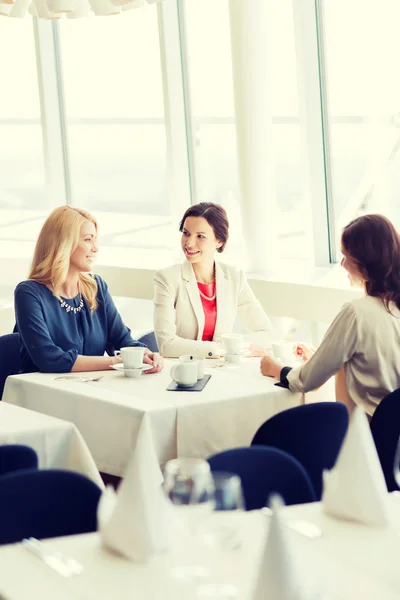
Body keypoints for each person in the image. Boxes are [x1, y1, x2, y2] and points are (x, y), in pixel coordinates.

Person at [260, 213, 400, 416]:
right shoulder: (392, 309)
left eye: (346, 257)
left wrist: (277, 368)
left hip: (365, 436)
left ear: (364, 262)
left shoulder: (356, 312)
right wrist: (323, 357)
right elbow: (377, 364)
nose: (342, 264)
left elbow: (307, 381)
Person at [14, 206, 163, 375]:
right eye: (87, 240)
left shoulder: (96, 286)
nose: (95, 248)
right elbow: (49, 359)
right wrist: (116, 361)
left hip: (89, 388)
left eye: (95, 239)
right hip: (42, 392)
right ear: (63, 244)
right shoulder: (29, 293)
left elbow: (122, 340)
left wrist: (146, 354)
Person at [153, 202, 273, 358]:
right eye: (186, 233)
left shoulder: (234, 277)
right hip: (183, 371)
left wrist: (236, 347)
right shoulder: (167, 278)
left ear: (219, 241)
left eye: (200, 236)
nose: (189, 243)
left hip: (223, 369)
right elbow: (167, 345)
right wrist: (223, 349)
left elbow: (266, 333)